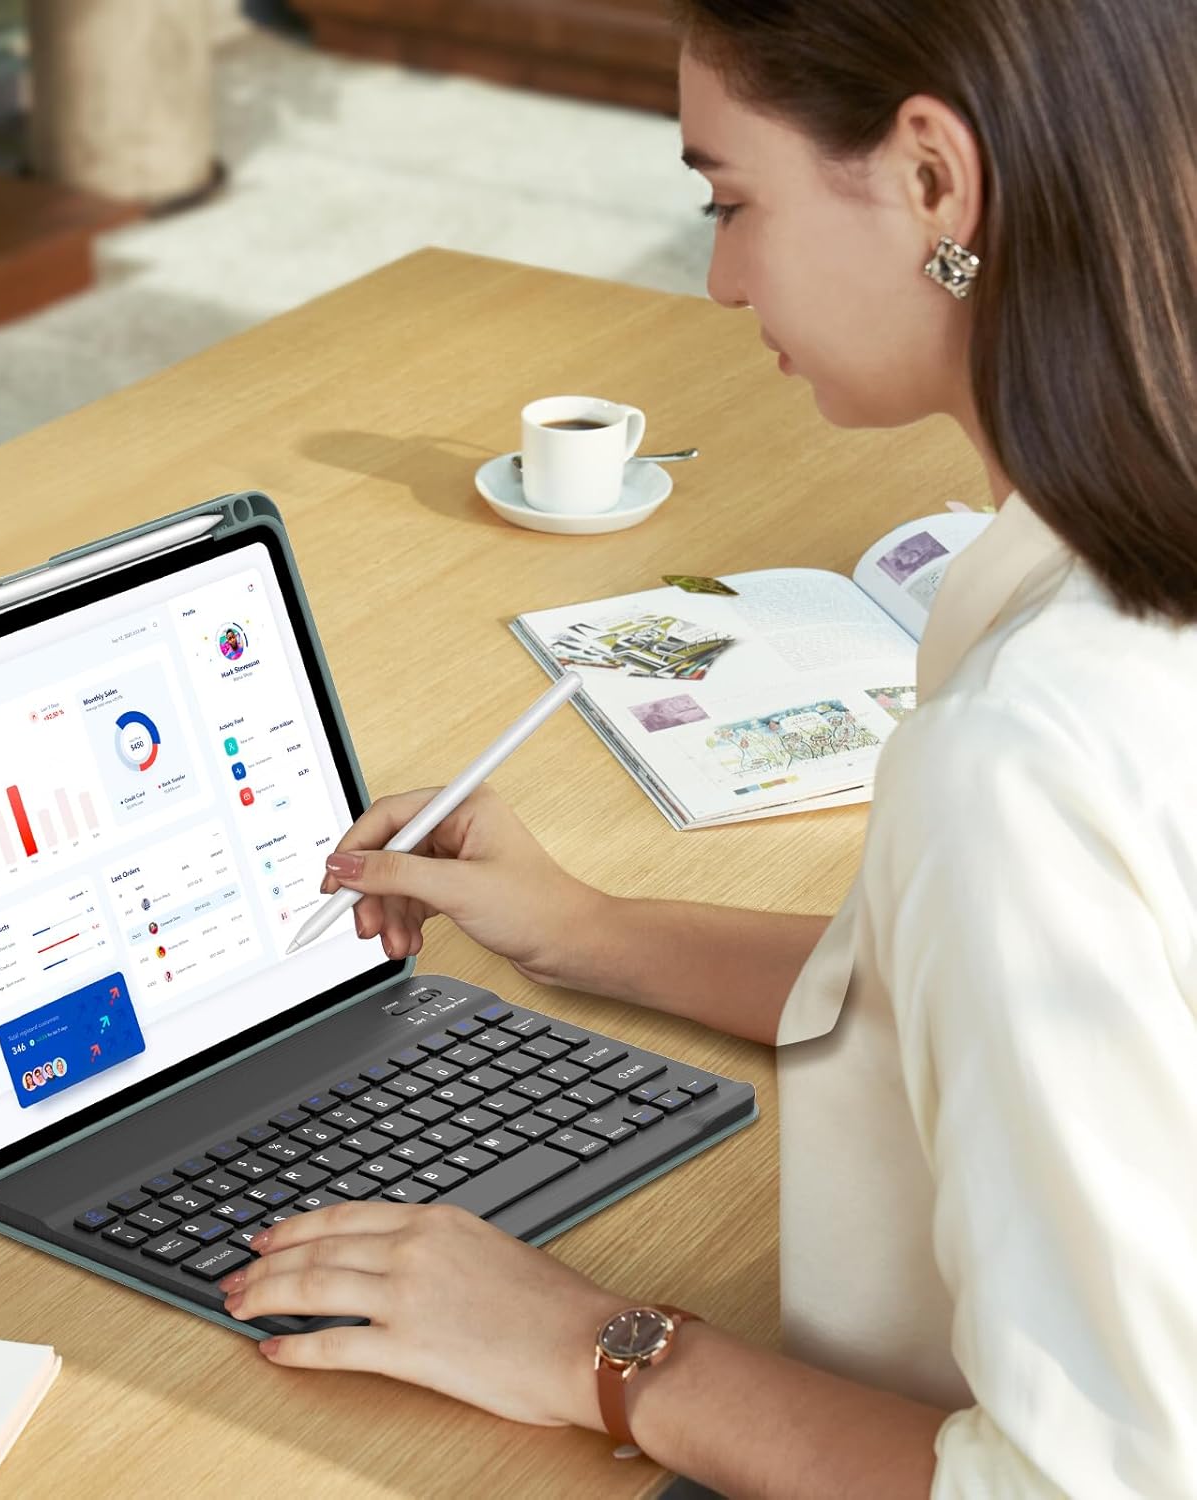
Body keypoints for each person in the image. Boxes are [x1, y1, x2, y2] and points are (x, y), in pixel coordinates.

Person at [212, 1, 1197, 1492]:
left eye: (732, 200)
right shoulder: (1109, 587)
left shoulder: (1022, 758)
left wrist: (592, 1350)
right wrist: (589, 933)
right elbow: (1055, 982)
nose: (724, 279)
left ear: (936, 179)